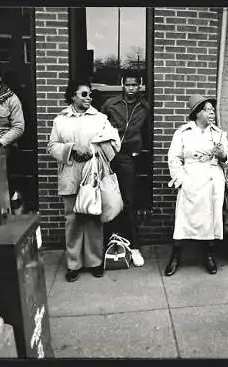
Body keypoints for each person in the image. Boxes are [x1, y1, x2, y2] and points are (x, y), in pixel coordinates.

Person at [48, 79, 120, 283]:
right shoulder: (60, 120)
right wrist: (70, 149)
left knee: (93, 218)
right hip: (70, 175)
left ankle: (95, 262)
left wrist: (93, 150)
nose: (89, 98)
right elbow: (51, 146)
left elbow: (115, 144)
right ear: (73, 96)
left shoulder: (100, 118)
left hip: (94, 175)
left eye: (90, 94)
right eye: (84, 94)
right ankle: (74, 264)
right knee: (72, 220)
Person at [165, 94, 228, 276]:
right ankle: (176, 256)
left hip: (212, 182)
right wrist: (181, 180)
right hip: (191, 182)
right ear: (197, 113)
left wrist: (222, 156)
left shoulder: (219, 134)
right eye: (207, 110)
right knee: (184, 220)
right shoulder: (183, 133)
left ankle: (209, 255)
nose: (212, 113)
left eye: (212, 110)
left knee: (211, 221)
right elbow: (174, 158)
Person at [101, 69, 151, 267]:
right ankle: (108, 244)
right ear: (122, 83)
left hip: (129, 158)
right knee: (107, 200)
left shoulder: (144, 107)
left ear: (139, 85)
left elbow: (146, 133)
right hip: (109, 156)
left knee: (128, 202)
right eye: (128, 84)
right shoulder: (110, 104)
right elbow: (100, 127)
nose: (131, 88)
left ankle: (134, 247)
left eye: (135, 84)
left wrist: (139, 149)